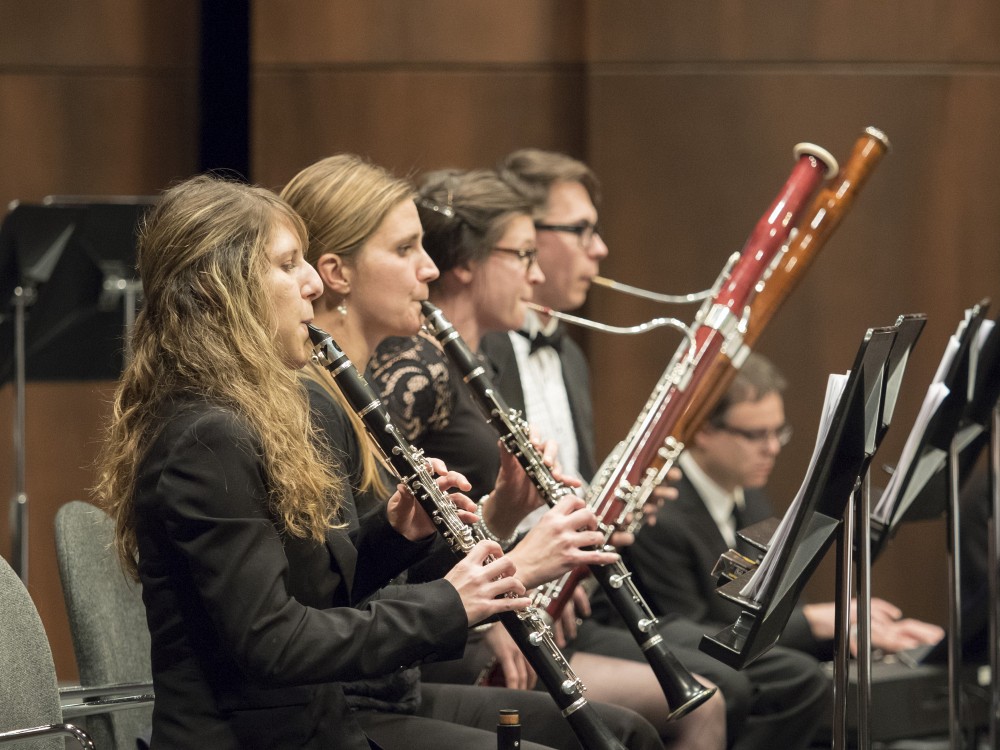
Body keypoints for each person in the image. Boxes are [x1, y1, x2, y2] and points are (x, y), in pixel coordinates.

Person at [93, 173, 596, 750]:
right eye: (288, 265)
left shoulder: (254, 416)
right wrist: (452, 603)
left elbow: (314, 592)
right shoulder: (207, 439)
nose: (311, 283)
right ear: (223, 291)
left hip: (313, 728)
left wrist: (396, 535)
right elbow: (274, 642)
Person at [280, 154, 666, 750]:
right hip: (346, 699)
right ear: (337, 273)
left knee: (627, 733)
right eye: (405, 250)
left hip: (393, 684)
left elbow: (380, 572)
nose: (429, 268)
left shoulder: (363, 388)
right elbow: (332, 600)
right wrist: (516, 569)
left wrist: (498, 516)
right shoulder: (318, 404)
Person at [481, 148, 833, 750]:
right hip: (519, 604)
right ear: (525, 238)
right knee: (725, 690)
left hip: (575, 603)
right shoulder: (484, 350)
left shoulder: (570, 356)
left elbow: (565, 492)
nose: (600, 249)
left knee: (776, 682)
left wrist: (610, 515)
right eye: (581, 230)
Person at [366, 166, 726, 750]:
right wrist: (497, 596)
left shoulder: (486, 361)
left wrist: (532, 537)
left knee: (704, 699)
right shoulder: (416, 366)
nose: (535, 277)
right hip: (446, 630)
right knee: (659, 720)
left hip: (489, 604)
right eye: (523, 255)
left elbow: (477, 518)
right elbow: (389, 535)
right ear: (469, 263)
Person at [625, 352, 945, 660]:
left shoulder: (750, 496)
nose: (773, 448)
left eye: (778, 432)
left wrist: (853, 633)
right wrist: (814, 622)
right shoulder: (660, 516)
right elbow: (694, 641)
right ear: (703, 430)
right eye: (756, 435)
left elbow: (770, 609)